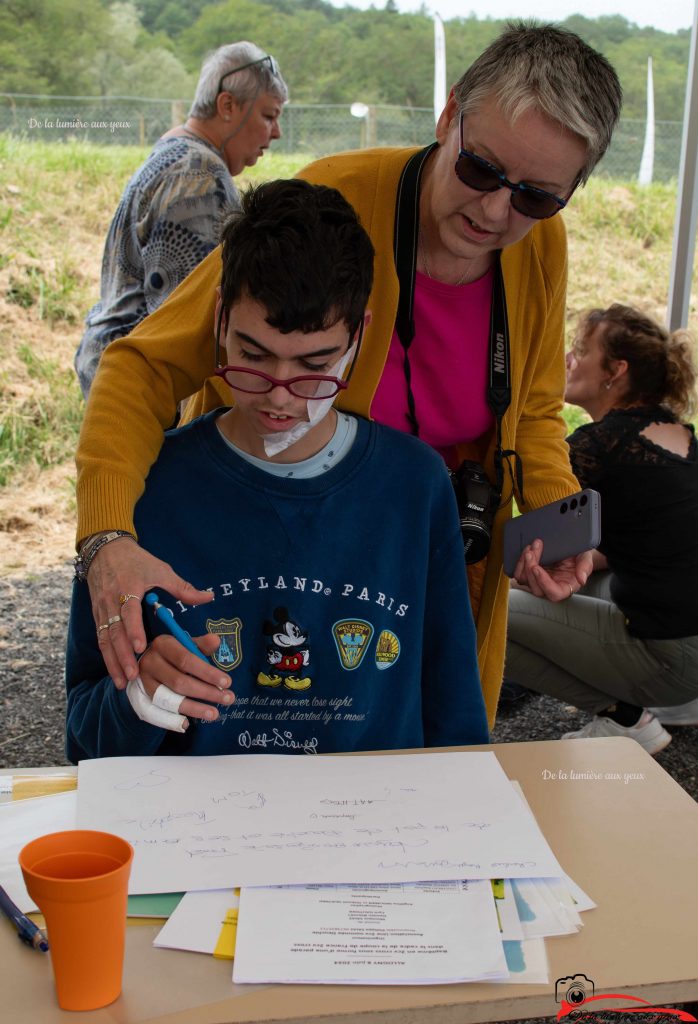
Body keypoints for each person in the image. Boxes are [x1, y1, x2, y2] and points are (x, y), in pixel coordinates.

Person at [73, 23, 623, 724]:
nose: (495, 211)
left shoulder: (539, 247)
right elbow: (143, 364)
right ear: (449, 114)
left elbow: (534, 409)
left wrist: (550, 510)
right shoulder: (334, 202)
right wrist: (108, 539)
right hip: (278, 547)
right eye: (480, 169)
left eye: (536, 197)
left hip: (421, 561)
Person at [65, 179, 489, 762]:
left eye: (315, 365)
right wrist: (142, 698)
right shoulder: (146, 489)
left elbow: (455, 712)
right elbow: (84, 737)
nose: (280, 398)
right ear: (219, 323)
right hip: (196, 832)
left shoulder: (416, 488)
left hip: (376, 834)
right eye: (253, 357)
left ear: (358, 337)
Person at [506, 304, 698, 754]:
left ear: (616, 370)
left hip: (673, 658)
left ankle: (627, 719)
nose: (568, 361)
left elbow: (517, 545)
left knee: (484, 613)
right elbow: (648, 546)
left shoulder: (600, 446)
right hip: (688, 641)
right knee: (586, 566)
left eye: (579, 350)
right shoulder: (681, 436)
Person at [74, 42, 288, 396]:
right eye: (268, 116)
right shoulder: (197, 176)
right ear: (227, 105)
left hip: (117, 374)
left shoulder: (175, 151)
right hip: (142, 390)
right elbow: (189, 319)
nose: (276, 132)